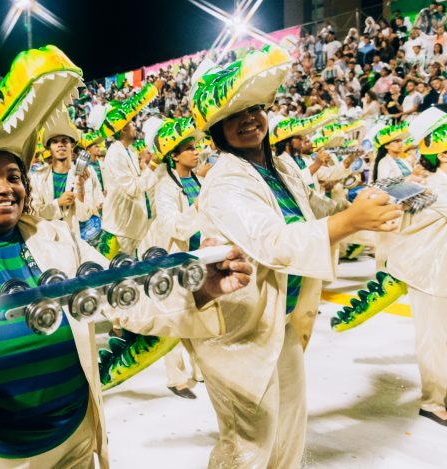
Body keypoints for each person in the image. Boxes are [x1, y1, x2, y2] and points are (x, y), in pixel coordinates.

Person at [0, 45, 253, 468]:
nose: (7, 188)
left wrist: (198, 289)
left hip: (73, 444)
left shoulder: (58, 241)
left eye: (14, 176)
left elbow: (125, 293)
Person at [188, 45, 403, 468]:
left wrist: (366, 203)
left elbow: (319, 212)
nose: (250, 119)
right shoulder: (225, 183)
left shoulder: (282, 170)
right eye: (235, 115)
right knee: (248, 445)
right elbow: (275, 242)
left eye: (255, 109)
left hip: (283, 326)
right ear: (217, 130)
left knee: (288, 432)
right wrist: (350, 222)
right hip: (241, 334)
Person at [387, 107, 447, 428]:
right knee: (434, 339)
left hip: (441, 273)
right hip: (430, 275)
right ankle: (433, 401)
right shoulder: (431, 188)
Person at [142, 116, 207, 399]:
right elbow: (174, 226)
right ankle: (176, 377)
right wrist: (198, 206)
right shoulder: (166, 187)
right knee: (175, 319)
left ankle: (200, 368)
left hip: (199, 258)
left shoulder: (196, 179)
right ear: (174, 155)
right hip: (173, 261)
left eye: (195, 147)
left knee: (198, 315)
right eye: (189, 148)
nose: (196, 152)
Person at [89, 85, 159, 256]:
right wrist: (152, 166)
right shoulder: (115, 153)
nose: (134, 125)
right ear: (122, 129)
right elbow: (134, 189)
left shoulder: (128, 151)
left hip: (130, 228)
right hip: (120, 231)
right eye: (130, 123)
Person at [30, 108, 97, 236]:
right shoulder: (37, 177)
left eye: (65, 141)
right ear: (49, 148)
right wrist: (58, 204)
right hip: (46, 240)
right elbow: (34, 214)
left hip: (72, 239)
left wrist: (81, 188)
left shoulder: (84, 175)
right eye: (55, 142)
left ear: (72, 146)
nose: (60, 145)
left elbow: (84, 217)